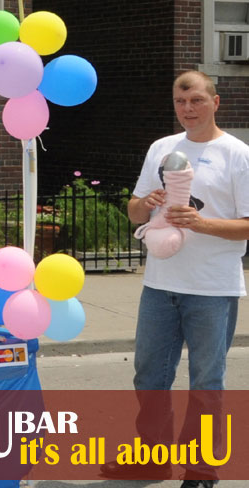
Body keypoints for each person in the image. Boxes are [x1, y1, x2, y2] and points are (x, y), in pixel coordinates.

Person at [102, 70, 249, 488]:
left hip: (212, 288)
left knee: (206, 382)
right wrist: (145, 202)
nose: (188, 110)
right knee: (149, 375)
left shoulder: (237, 154)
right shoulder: (162, 148)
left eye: (197, 101)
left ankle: (202, 469)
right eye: (181, 103)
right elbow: (133, 212)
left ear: (215, 103)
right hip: (160, 285)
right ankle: (153, 458)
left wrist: (202, 225)